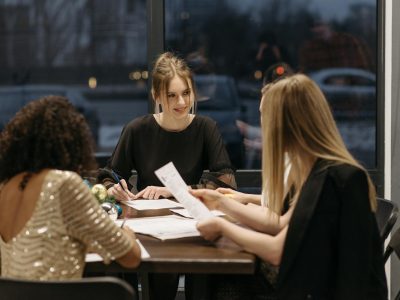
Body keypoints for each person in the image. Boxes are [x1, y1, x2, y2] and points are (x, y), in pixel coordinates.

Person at [190, 74, 387, 299]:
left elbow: (277, 251)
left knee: (226, 285)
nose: (264, 128)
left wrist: (223, 226)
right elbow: (283, 224)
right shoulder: (320, 171)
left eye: (267, 119)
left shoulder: (332, 179)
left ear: (287, 125)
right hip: (316, 286)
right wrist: (222, 203)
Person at [98, 52, 236, 300]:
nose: (181, 101)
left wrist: (173, 190)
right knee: (159, 283)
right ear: (156, 96)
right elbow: (109, 174)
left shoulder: (205, 127)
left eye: (186, 93)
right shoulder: (137, 129)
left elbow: (225, 180)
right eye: (171, 95)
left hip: (194, 225)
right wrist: (113, 188)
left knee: (203, 279)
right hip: (151, 229)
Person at [0, 96, 141, 280]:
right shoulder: (63, 184)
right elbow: (131, 257)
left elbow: (40, 243)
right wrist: (128, 234)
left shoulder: (6, 187)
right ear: (70, 144)